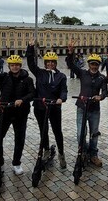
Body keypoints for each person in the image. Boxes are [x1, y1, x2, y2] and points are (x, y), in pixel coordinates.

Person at [0, 53, 35, 177]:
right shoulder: (4, 78)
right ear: (9, 66)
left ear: (20, 66)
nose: (14, 67)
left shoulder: (27, 79)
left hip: (21, 113)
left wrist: (22, 100)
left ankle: (16, 163)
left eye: (17, 65)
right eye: (12, 65)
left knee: (19, 139)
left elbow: (32, 94)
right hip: (5, 112)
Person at [26, 39, 68, 169]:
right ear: (45, 63)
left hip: (54, 107)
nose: (50, 64)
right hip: (40, 107)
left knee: (57, 131)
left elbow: (63, 90)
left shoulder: (61, 76)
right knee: (43, 130)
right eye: (48, 62)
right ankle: (46, 150)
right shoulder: (40, 73)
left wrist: (62, 98)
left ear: (55, 63)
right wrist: (30, 48)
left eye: (52, 62)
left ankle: (61, 153)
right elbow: (30, 63)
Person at [66, 41, 108, 167]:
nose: (94, 66)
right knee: (80, 133)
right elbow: (71, 65)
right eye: (92, 64)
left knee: (94, 133)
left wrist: (100, 96)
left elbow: (105, 92)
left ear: (99, 65)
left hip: (95, 109)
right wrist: (70, 52)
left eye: (96, 64)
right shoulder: (83, 73)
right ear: (88, 64)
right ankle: (83, 151)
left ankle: (93, 154)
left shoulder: (101, 78)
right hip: (82, 107)